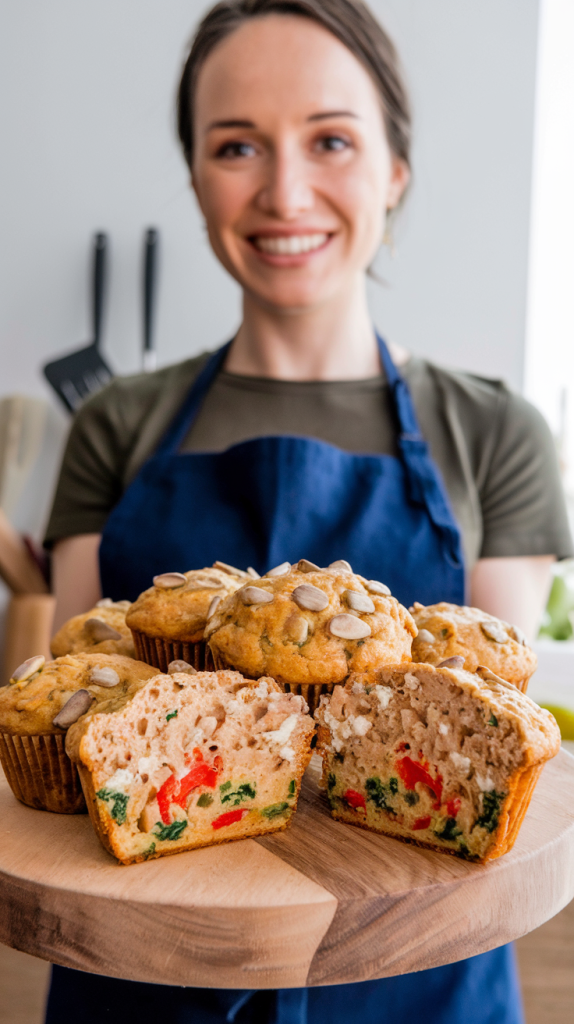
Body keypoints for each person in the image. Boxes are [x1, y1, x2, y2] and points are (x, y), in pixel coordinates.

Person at [43, 1, 572, 1021]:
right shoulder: (115, 422)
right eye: (236, 145)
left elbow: (503, 755)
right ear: (196, 177)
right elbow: (81, 713)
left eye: (330, 139)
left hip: (419, 983)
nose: (284, 191)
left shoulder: (493, 431)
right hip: (143, 975)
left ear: (394, 170)